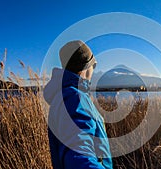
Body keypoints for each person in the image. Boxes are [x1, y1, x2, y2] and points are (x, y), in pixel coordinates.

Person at [43, 40, 113, 169]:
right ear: (87, 66)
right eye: (94, 65)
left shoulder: (63, 96)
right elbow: (79, 158)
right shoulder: (74, 97)